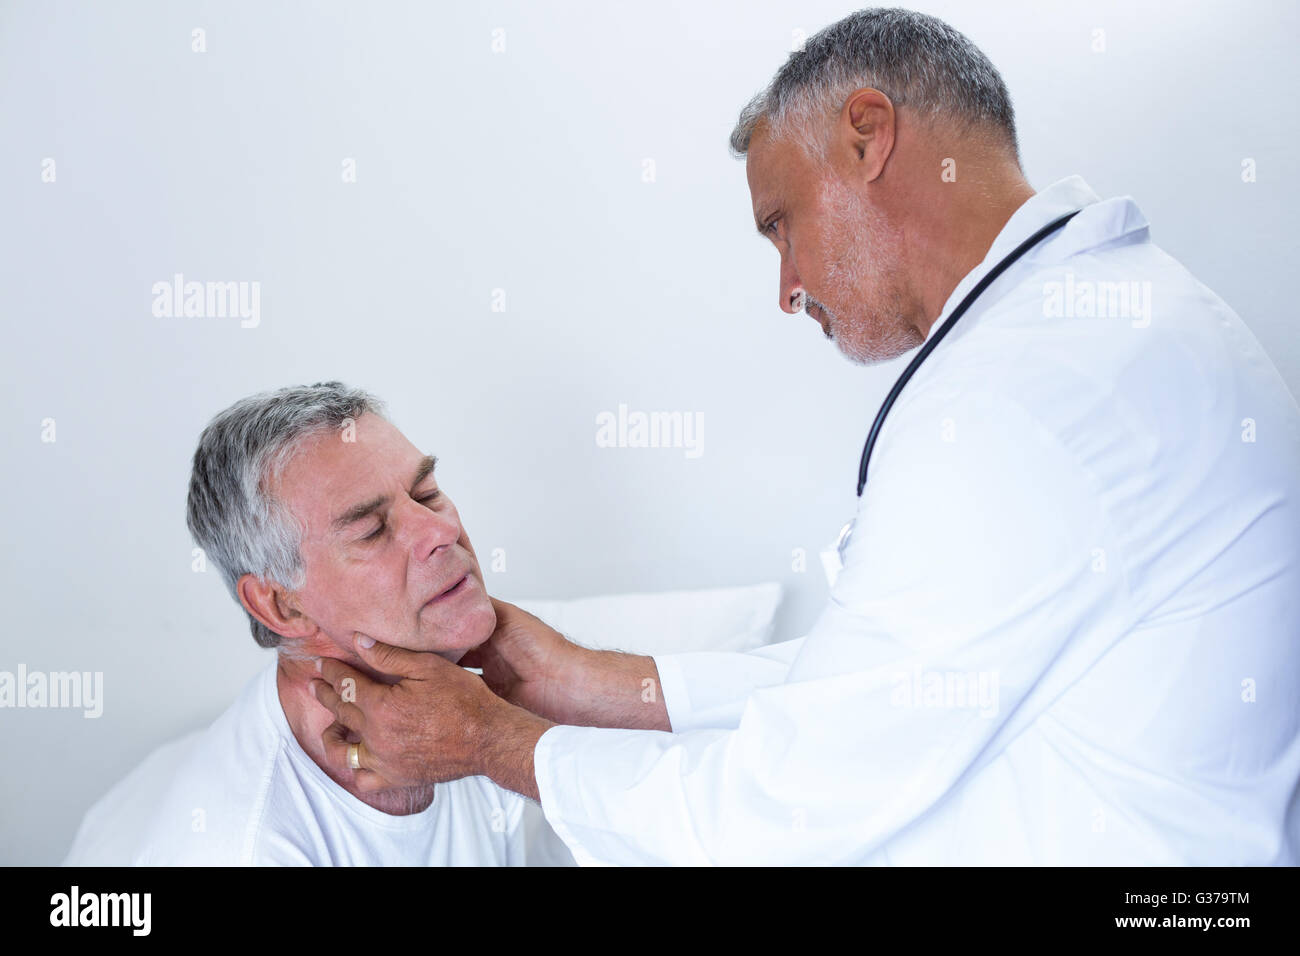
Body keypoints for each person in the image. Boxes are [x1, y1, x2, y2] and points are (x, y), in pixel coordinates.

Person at [311, 7, 1300, 865]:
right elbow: (905, 669)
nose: (785, 290)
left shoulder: (1023, 400)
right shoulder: (1110, 321)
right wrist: (590, 682)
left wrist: (494, 743)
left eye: (780, 223)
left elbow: (787, 808)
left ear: (868, 134)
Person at [134, 382, 525, 866]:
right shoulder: (245, 848)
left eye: (426, 493)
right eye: (372, 530)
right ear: (282, 607)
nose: (442, 530)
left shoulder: (500, 693)